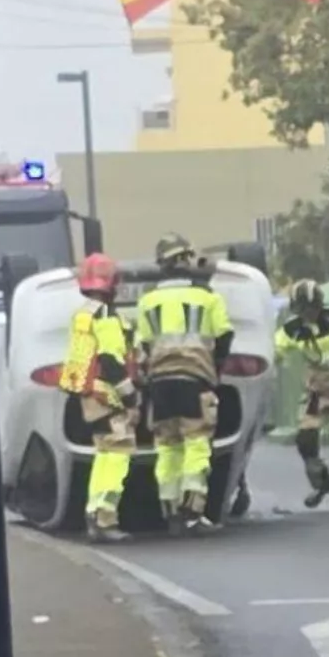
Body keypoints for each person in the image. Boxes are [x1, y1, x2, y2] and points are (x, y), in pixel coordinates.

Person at [135, 233, 234, 535]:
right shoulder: (208, 298)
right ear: (185, 260)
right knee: (196, 445)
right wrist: (213, 370)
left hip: (160, 384)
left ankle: (171, 511)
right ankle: (193, 512)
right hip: (195, 380)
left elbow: (143, 346)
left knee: (167, 447)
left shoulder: (147, 301)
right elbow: (224, 336)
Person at [59, 253, 138, 543]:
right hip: (108, 394)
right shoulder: (105, 315)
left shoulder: (83, 313)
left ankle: (96, 515)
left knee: (104, 455)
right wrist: (130, 395)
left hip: (90, 394)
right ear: (112, 283)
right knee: (116, 458)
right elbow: (110, 357)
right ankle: (104, 519)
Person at [274, 278, 329, 509]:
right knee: (305, 439)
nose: (307, 315)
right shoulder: (292, 330)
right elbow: (277, 351)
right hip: (317, 390)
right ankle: (321, 482)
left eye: (310, 309)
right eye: (302, 310)